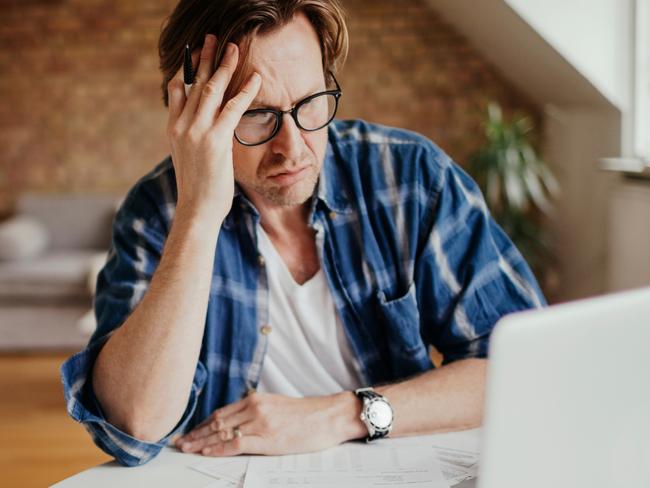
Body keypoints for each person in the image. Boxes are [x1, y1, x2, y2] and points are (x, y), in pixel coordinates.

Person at [61, 0, 545, 467]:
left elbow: (523, 369)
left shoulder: (410, 178)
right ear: (193, 114)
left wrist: (339, 415)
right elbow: (135, 424)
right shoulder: (157, 211)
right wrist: (198, 217)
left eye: (311, 102)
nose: (292, 149)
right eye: (256, 114)